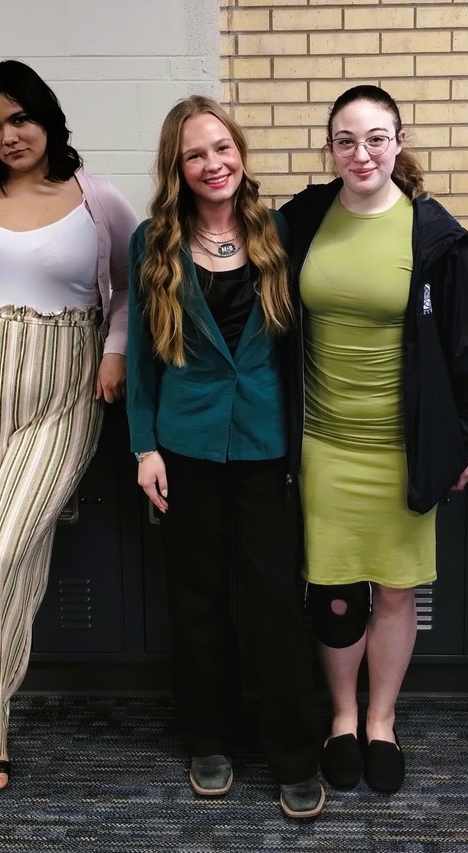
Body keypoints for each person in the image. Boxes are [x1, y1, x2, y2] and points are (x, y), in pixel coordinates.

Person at [0, 60, 138, 791]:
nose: (9, 136)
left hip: (64, 383)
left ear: (47, 118)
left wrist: (115, 349)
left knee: (7, 548)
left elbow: (133, 285)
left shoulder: (95, 196)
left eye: (20, 118)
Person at [280, 85, 468, 794]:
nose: (362, 153)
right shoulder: (304, 220)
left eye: (376, 138)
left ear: (398, 143)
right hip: (324, 447)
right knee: (335, 594)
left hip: (404, 450)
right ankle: (342, 716)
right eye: (346, 140)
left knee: (397, 592)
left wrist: (465, 442)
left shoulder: (434, 237)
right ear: (330, 150)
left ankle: (381, 720)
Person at [125, 96, 324, 819]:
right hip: (187, 444)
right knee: (198, 599)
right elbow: (141, 351)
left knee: (276, 600)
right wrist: (143, 444)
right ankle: (209, 739)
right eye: (195, 154)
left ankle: (293, 751)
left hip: (268, 445)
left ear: (240, 152)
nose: (213, 164)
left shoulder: (278, 232)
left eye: (222, 148)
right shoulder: (152, 241)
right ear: (176, 167)